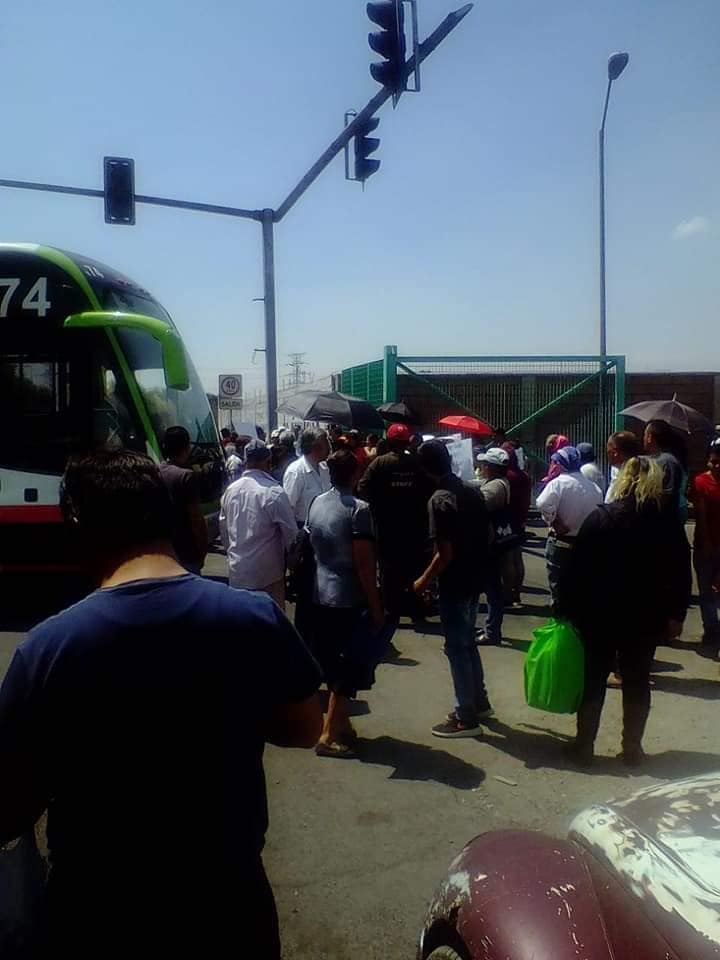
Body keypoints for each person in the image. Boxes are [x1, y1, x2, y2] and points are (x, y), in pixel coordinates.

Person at [0, 450, 322, 958]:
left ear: (79, 525)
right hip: (229, 907)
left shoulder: (47, 648)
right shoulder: (254, 617)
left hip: (96, 915)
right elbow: (306, 728)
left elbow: (11, 804)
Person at [558, 456, 691, 766]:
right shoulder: (666, 523)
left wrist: (566, 609)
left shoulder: (601, 518)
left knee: (594, 679)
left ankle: (584, 745)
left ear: (623, 479)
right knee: (637, 681)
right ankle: (632, 748)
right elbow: (680, 571)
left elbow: (575, 571)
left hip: (599, 615)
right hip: (645, 616)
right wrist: (677, 614)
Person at [307, 449, 386, 757]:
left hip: (319, 594)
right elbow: (365, 565)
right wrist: (376, 606)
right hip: (347, 599)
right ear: (355, 475)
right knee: (347, 670)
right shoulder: (359, 510)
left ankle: (342, 727)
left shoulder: (317, 503)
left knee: (332, 665)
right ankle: (328, 735)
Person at [413, 440, 493, 738]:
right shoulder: (471, 490)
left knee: (456, 648)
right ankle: (478, 701)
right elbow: (487, 535)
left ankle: (465, 717)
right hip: (475, 577)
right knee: (467, 642)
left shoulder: (439, 500)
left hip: (455, 582)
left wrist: (421, 582)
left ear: (425, 468)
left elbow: (443, 554)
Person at [358, 423, 431, 628]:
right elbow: (429, 488)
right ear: (408, 441)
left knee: (389, 571)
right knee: (414, 569)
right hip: (414, 527)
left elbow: (362, 489)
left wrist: (379, 502)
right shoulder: (417, 462)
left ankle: (391, 611)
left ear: (388, 442)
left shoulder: (380, 463)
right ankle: (416, 611)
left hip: (386, 527)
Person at [220, 439, 298, 609]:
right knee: (270, 626)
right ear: (268, 461)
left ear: (246, 461)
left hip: (238, 572)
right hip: (267, 576)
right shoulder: (273, 492)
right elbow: (292, 536)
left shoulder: (230, 491)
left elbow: (224, 531)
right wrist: (293, 566)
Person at [536, 446, 603, 606]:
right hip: (584, 543)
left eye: (554, 462)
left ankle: (561, 623)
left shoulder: (558, 483)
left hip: (561, 543)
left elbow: (542, 503)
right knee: (579, 587)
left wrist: (554, 520)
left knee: (558, 587)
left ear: (560, 464)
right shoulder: (594, 487)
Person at [158, 425, 207, 574]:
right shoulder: (186, 476)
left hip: (162, 551)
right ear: (186, 448)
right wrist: (202, 550)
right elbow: (196, 520)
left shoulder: (153, 471)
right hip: (186, 553)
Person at [475, 448, 511, 645]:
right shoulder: (496, 482)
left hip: (489, 543)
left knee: (492, 588)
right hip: (491, 542)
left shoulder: (496, 486)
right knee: (490, 587)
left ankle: (492, 630)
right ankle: (490, 627)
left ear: (493, 467)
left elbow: (478, 503)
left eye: (486, 464)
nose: (483, 467)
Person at [689, 439, 720, 646]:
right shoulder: (701, 482)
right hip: (704, 545)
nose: (716, 465)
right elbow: (699, 514)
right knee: (706, 590)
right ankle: (711, 629)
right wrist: (707, 543)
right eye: (713, 461)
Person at [501, 442, 532, 605]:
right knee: (518, 558)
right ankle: (517, 592)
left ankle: (507, 593)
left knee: (507, 559)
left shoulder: (506, 477)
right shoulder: (524, 476)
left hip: (507, 520)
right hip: (520, 520)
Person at [283, 427, 331, 525]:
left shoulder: (325, 468)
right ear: (315, 447)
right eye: (326, 444)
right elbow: (288, 509)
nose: (329, 448)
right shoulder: (296, 472)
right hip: (304, 528)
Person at [644, 419, 688, 520]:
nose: (643, 439)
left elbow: (665, 496)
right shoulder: (669, 459)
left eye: (645, 435)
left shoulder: (666, 461)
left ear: (650, 437)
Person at [605, 430, 641, 502]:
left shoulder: (629, 482)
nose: (607, 455)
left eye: (608, 451)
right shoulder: (644, 472)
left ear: (615, 453)